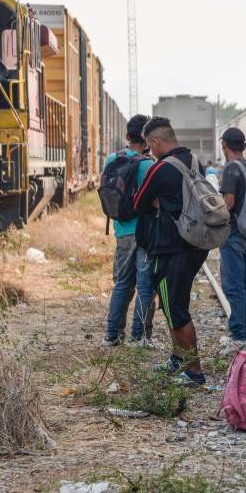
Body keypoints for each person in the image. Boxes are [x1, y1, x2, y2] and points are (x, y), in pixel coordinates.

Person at [132, 117, 209, 386]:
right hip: (196, 245)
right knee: (172, 303)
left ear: (155, 142)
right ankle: (178, 359)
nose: (150, 151)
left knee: (176, 309)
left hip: (171, 249)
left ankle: (194, 371)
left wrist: (156, 202)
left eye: (150, 146)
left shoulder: (160, 169)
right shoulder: (196, 161)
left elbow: (138, 204)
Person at [102, 114, 156, 347]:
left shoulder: (111, 159)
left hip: (122, 230)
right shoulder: (148, 165)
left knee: (123, 283)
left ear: (127, 136)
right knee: (145, 286)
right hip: (144, 232)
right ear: (147, 139)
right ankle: (140, 337)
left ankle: (112, 335)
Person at [217, 127, 246, 350]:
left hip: (233, 232)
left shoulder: (231, 168)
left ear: (225, 145)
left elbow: (229, 203)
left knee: (233, 285)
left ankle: (239, 334)